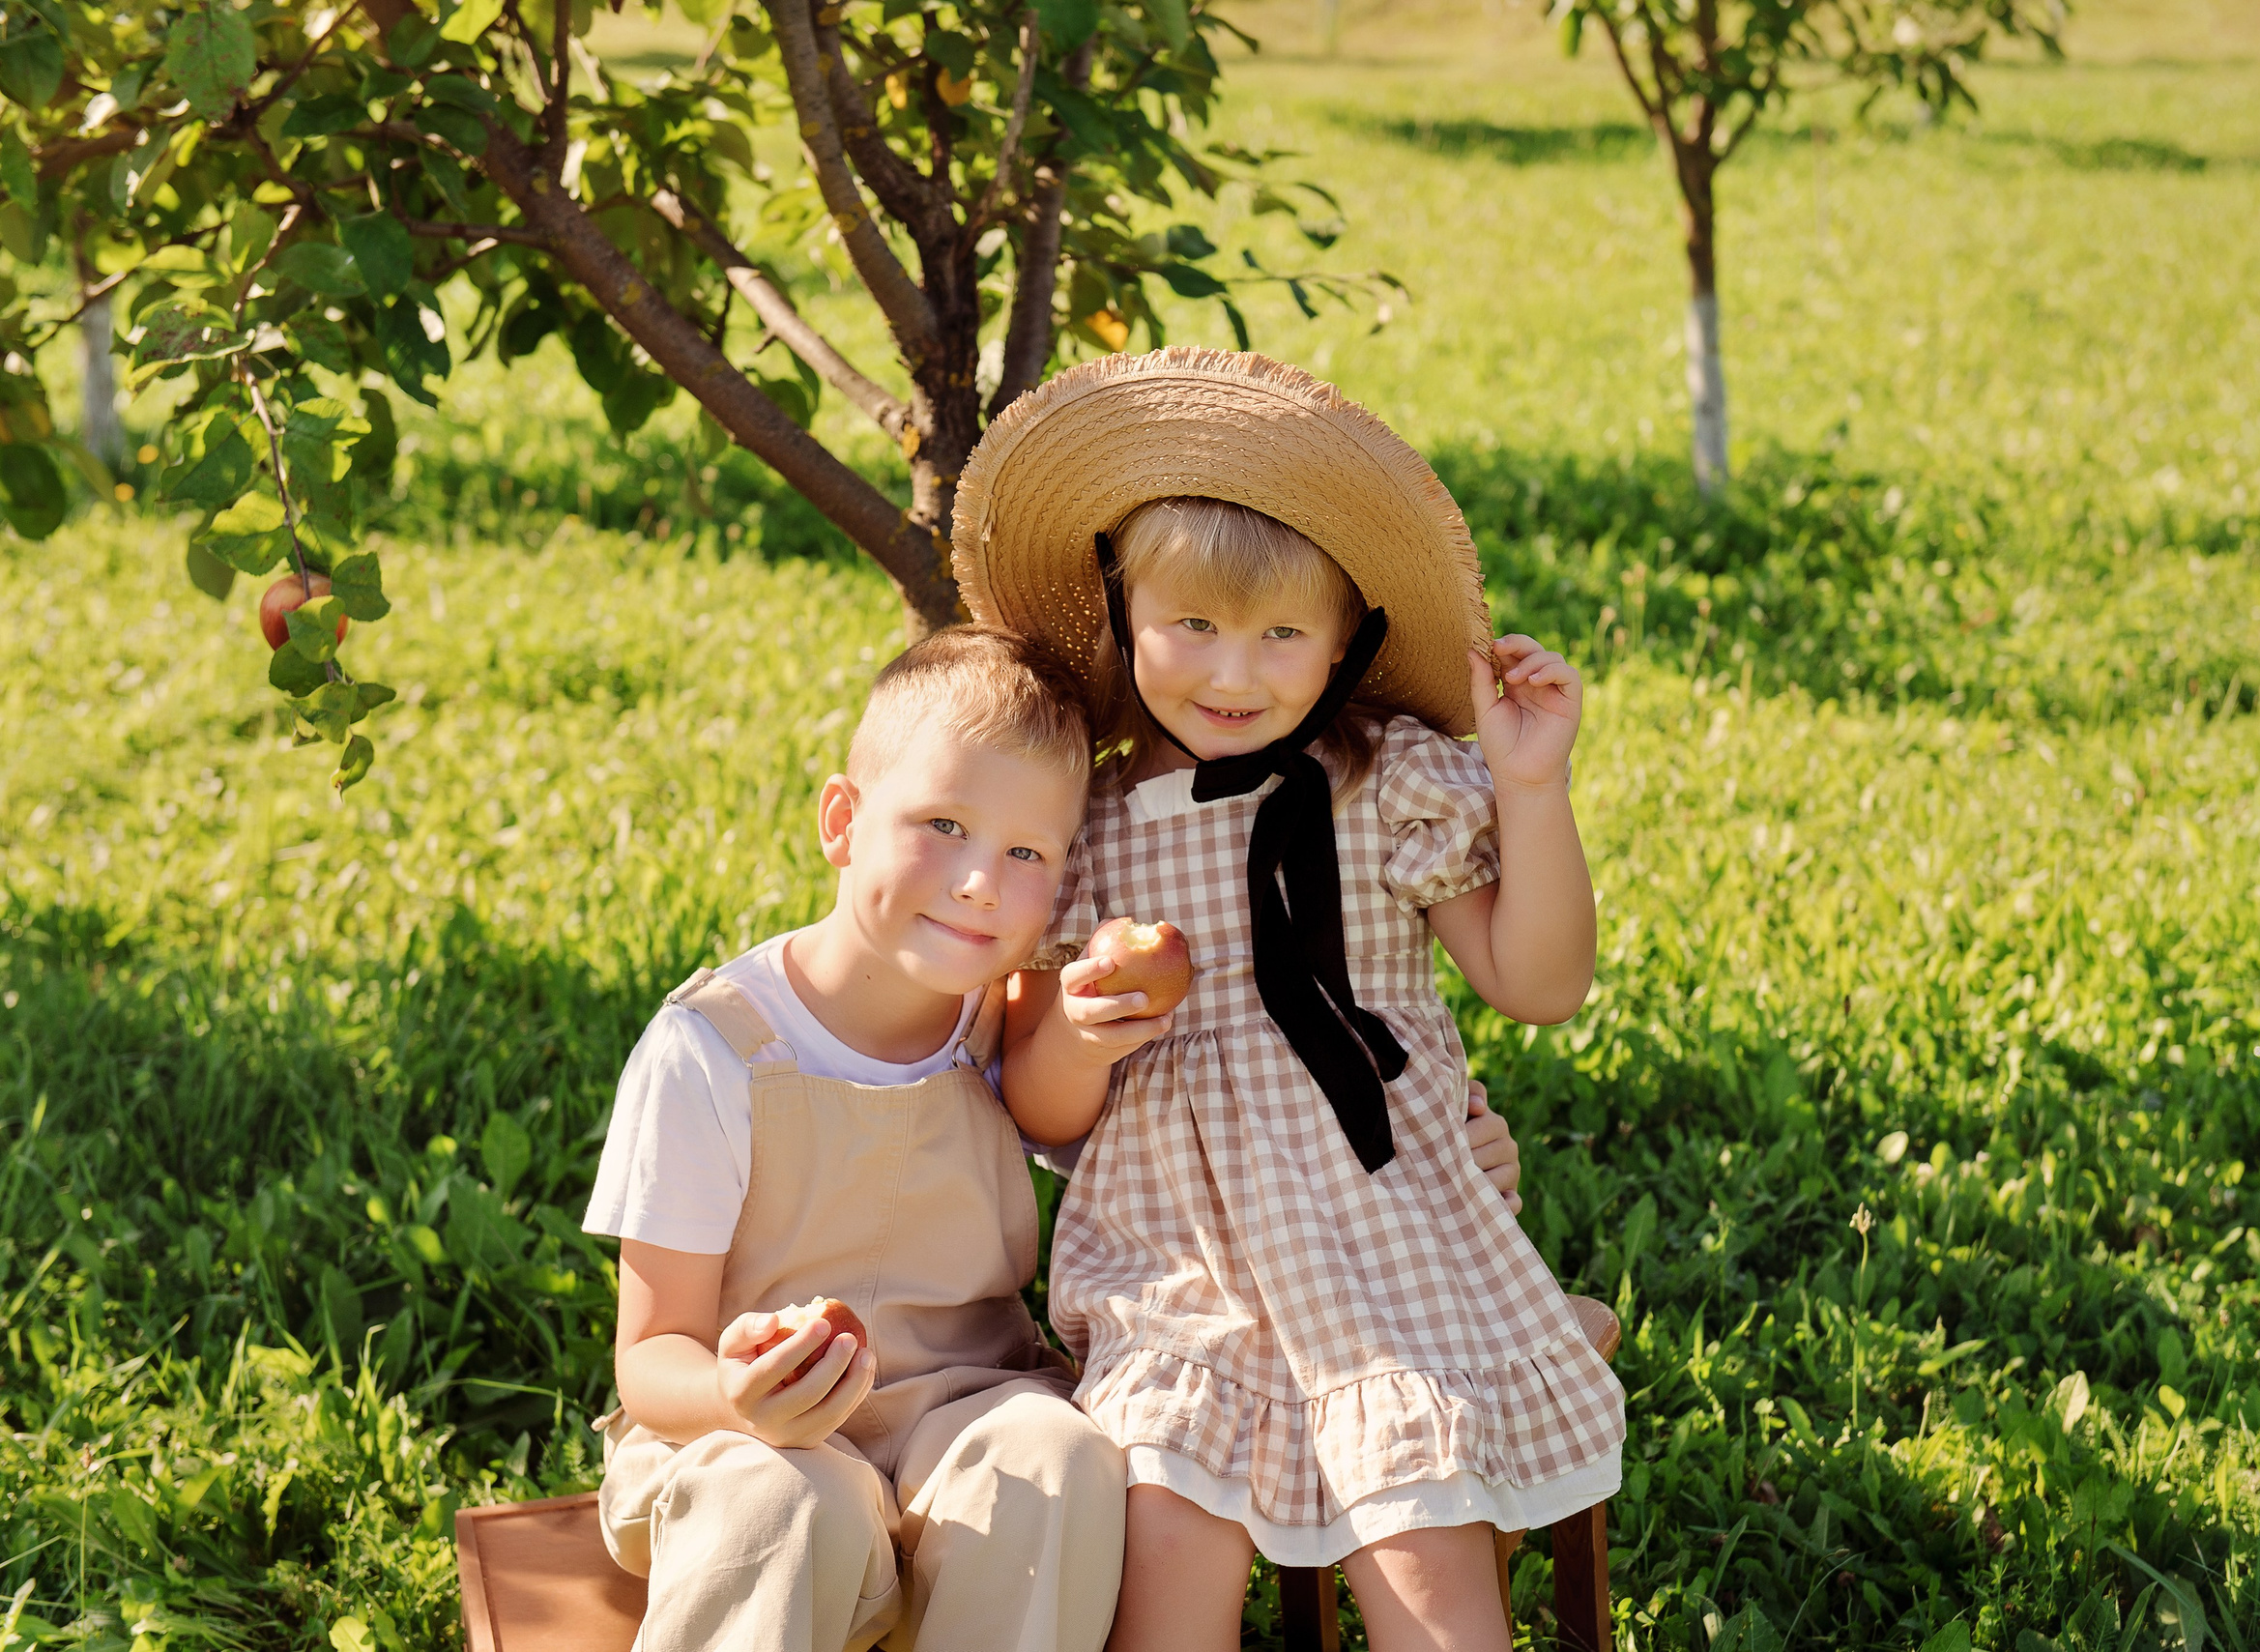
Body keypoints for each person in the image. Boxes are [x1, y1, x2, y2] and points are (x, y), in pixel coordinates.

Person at [579, 623, 1528, 1652]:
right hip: (745, 1437)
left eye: (1026, 851)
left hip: (963, 1406)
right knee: (779, 1506)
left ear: (1069, 877)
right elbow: (651, 1356)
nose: (982, 881)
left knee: (1058, 1456)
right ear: (841, 819)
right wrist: (734, 1392)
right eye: (941, 823)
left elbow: (1239, 1142)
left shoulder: (1019, 1022)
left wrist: (1442, 1150)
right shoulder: (716, 1048)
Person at [955, 349, 1627, 1652]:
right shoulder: (1083, 829)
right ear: (1120, 606)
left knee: (1421, 1545)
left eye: (1281, 635)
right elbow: (1036, 1104)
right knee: (1170, 1546)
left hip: (1389, 1241)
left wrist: (1532, 789)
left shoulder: (1393, 778)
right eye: (1192, 624)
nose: (1232, 672)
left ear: (1348, 640)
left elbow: (1537, 984)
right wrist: (1087, 1033)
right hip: (1180, 1263)